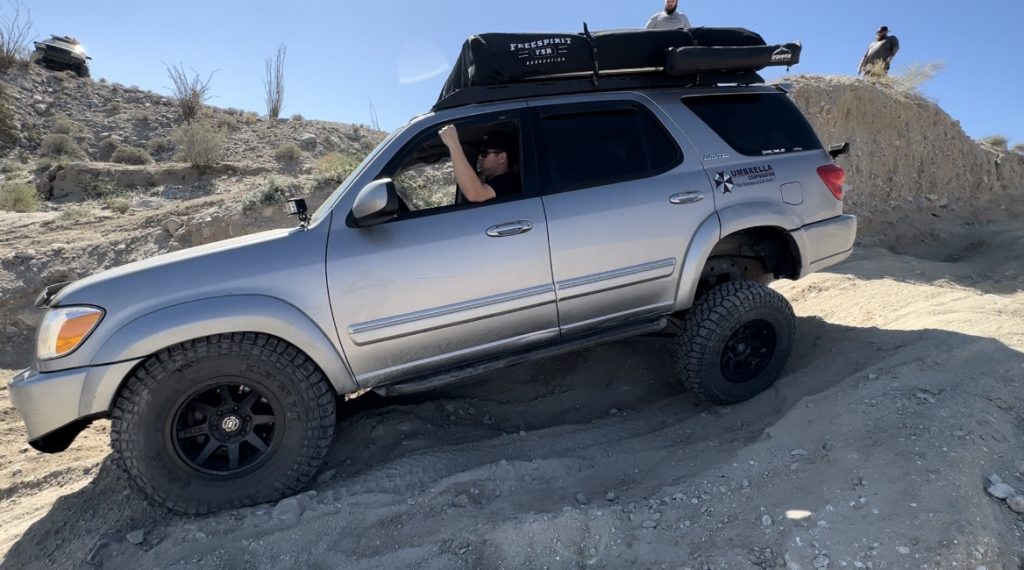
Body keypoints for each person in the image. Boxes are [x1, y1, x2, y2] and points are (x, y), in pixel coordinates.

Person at [438, 125, 519, 203]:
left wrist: (453, 144)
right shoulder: (494, 181)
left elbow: (475, 194)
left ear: (502, 157)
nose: (479, 157)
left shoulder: (509, 182)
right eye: (479, 153)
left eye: (484, 153)